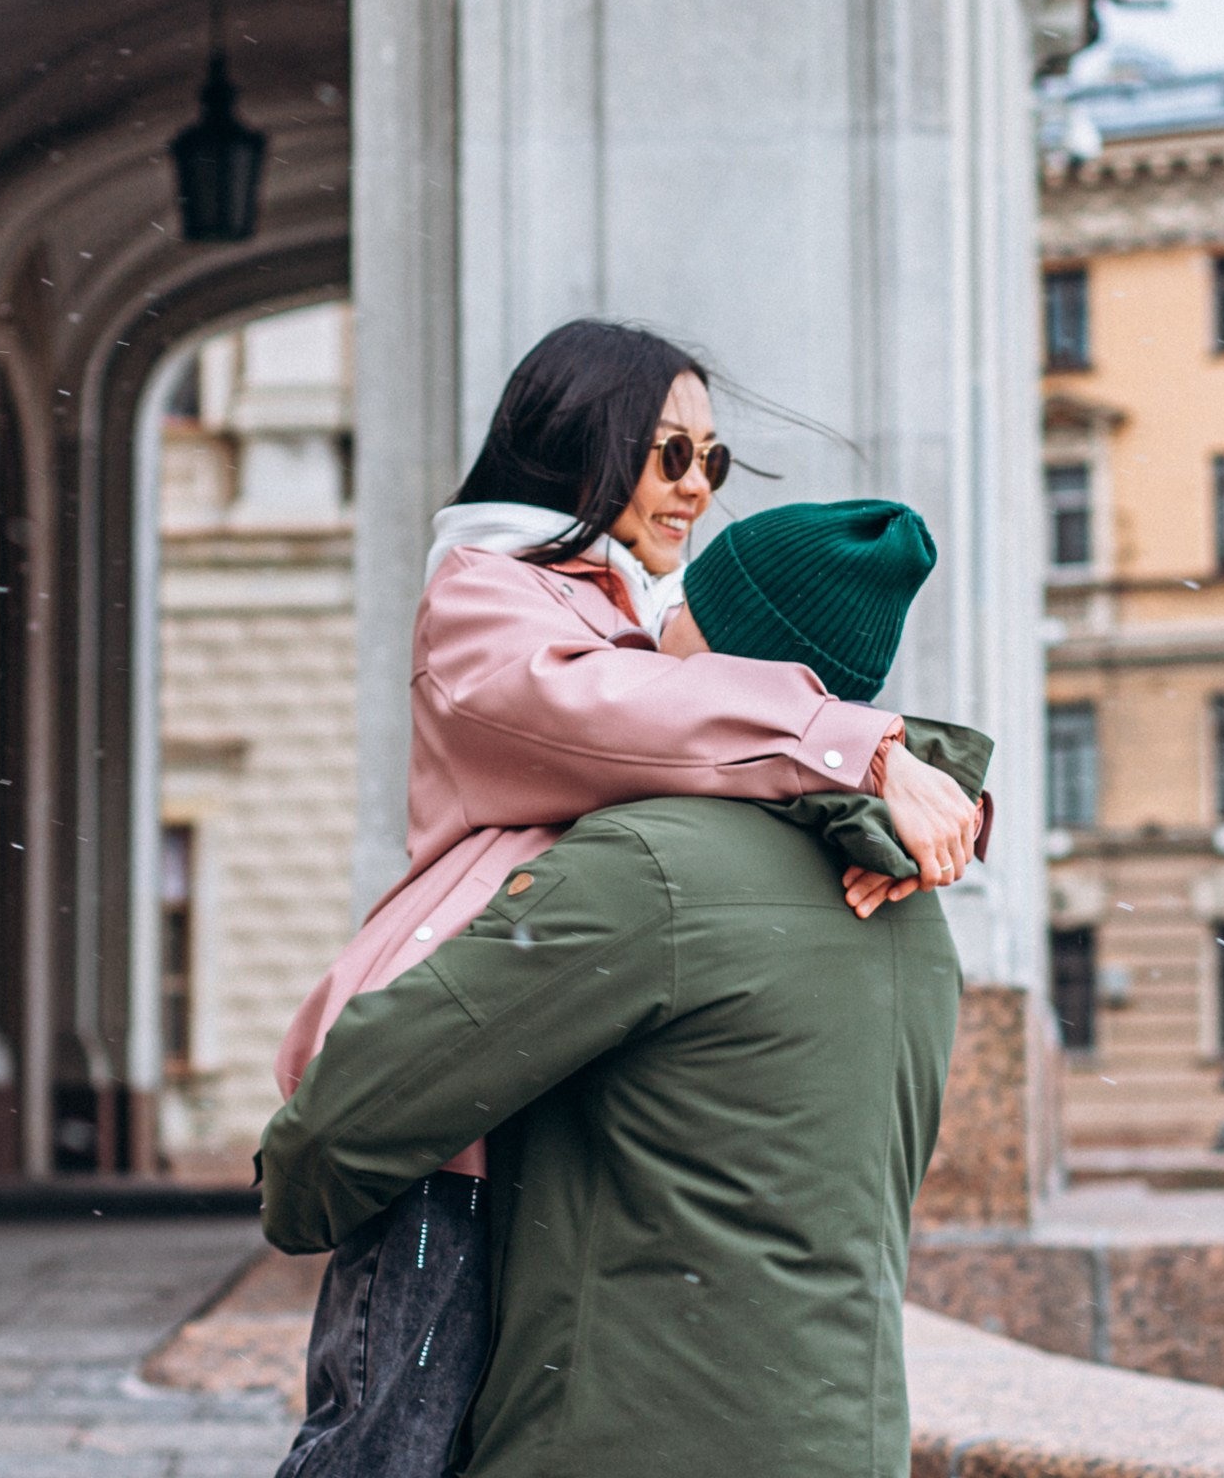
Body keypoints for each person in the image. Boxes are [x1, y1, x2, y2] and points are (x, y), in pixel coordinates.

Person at [266, 322, 981, 1478]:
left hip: (493, 1093)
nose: (695, 489)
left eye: (714, 461)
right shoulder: (493, 607)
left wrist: (901, 789)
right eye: (669, 456)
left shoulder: (646, 673)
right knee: (380, 1452)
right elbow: (645, 713)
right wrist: (871, 755)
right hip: (453, 1129)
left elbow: (705, 715)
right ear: (576, 451)